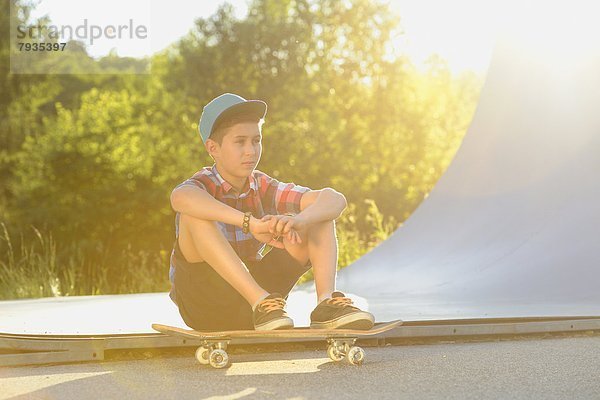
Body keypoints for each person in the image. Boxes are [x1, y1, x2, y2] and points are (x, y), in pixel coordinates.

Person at [168, 92, 375, 331]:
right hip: (206, 307)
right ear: (213, 148)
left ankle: (325, 304)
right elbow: (180, 197)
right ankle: (259, 300)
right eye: (240, 142)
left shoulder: (261, 185)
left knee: (319, 212)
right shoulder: (202, 185)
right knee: (194, 216)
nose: (250, 151)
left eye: (256, 141)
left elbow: (334, 199)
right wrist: (251, 224)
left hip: (265, 312)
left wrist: (297, 221)